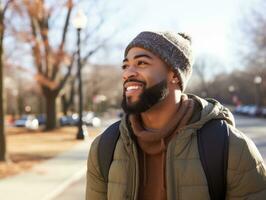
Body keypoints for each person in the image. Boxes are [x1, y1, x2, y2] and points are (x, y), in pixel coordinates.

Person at [86, 31, 266, 200]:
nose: (127, 73)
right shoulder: (104, 147)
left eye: (141, 63)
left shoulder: (232, 148)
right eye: (125, 65)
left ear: (174, 74)